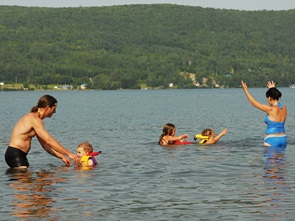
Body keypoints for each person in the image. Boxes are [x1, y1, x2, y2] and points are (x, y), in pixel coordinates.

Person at [5, 95, 79, 168]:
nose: (55, 111)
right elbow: (49, 140)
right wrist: (69, 154)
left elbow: (46, 146)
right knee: (24, 178)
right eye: (54, 109)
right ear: (47, 107)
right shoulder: (34, 119)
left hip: (19, 155)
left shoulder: (36, 120)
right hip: (15, 154)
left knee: (29, 179)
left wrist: (62, 157)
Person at [241, 80, 287, 148]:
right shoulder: (284, 108)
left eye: (267, 98)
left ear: (270, 98)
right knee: (281, 158)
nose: (267, 100)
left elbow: (253, 102)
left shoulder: (270, 109)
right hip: (283, 138)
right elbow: (276, 99)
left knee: (269, 158)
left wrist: (245, 90)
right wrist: (272, 89)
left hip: (271, 139)